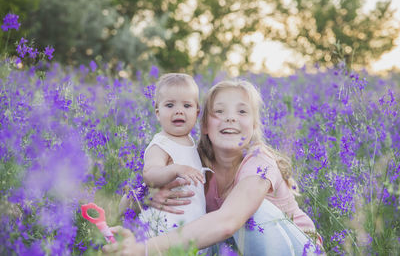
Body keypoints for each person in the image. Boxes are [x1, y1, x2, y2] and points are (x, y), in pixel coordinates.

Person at [105, 79, 321, 255]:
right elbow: (125, 206)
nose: (230, 118)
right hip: (236, 247)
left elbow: (227, 222)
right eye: (219, 111)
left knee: (251, 216)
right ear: (205, 125)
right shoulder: (193, 165)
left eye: (242, 112)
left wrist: (143, 250)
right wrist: (145, 198)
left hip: (301, 249)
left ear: (254, 125)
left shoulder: (259, 162)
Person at [119, 73, 207, 237]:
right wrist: (174, 169)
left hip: (189, 228)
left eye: (187, 106)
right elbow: (149, 174)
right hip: (162, 229)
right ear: (158, 112)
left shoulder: (191, 142)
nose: (179, 111)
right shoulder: (161, 145)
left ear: (197, 112)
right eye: (170, 105)